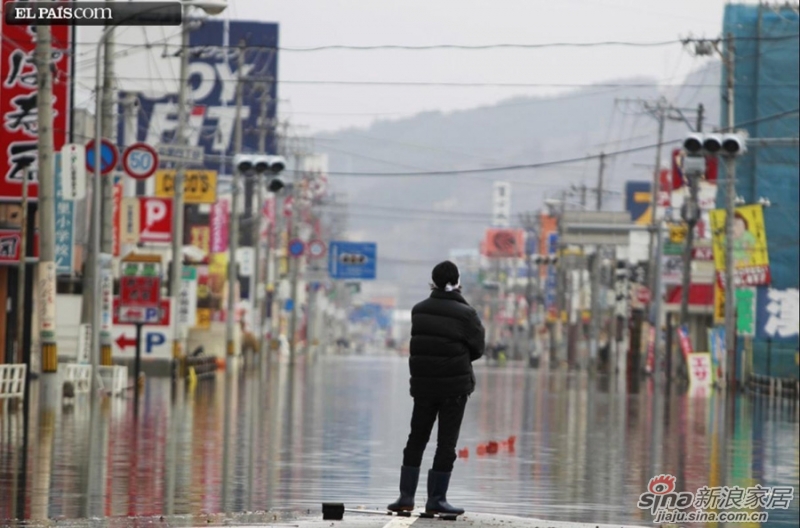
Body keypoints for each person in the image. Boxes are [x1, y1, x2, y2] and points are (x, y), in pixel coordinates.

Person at [388, 260, 485, 516]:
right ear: (458, 282)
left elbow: (420, 346)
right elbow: (478, 348)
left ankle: (405, 497)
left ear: (433, 281)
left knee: (416, 438)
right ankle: (437, 499)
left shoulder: (419, 310)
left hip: (423, 386)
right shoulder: (467, 314)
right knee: (446, 443)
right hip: (454, 387)